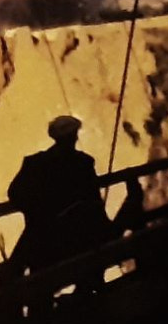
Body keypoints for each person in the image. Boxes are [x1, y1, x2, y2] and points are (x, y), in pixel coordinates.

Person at [7, 115, 112, 296]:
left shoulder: (34, 163)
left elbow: (15, 194)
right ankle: (88, 294)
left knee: (37, 281)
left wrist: (38, 215)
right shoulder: (84, 163)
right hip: (79, 240)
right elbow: (93, 201)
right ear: (74, 137)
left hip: (44, 243)